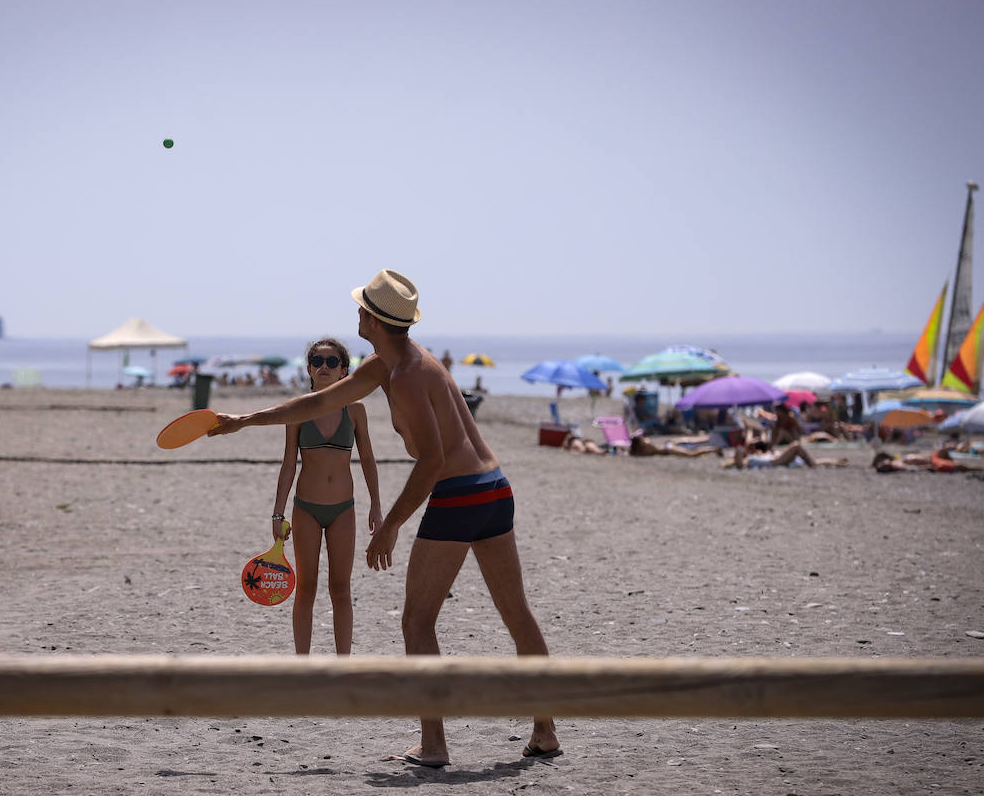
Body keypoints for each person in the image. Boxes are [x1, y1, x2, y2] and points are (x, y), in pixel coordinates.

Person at [209, 269, 559, 767]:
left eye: (360, 309)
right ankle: (545, 730)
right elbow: (319, 400)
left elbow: (433, 461)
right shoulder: (385, 365)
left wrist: (391, 523)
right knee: (516, 612)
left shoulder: (409, 375)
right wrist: (246, 420)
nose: (355, 313)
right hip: (494, 488)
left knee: (417, 623)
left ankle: (435, 745)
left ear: (372, 319)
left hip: (460, 495)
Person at [271, 337, 383, 655]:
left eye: (332, 362)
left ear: (344, 371)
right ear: (308, 369)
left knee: (341, 589)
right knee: (306, 588)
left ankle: (342, 666)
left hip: (343, 511)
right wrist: (277, 515)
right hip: (305, 509)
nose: (324, 367)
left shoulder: (356, 410)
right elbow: (289, 464)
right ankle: (303, 666)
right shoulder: (298, 410)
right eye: (318, 362)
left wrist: (376, 505)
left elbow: (369, 460)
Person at [725, 440, 848, 469]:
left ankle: (835, 461)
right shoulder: (748, 461)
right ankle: (816, 465)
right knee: (796, 446)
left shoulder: (755, 455)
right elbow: (740, 464)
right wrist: (740, 453)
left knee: (809, 460)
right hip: (774, 462)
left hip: (775, 460)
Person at [628, 435, 720, 458]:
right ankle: (708, 440)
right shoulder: (646, 444)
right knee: (690, 444)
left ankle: (712, 448)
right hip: (667, 445)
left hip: (668, 448)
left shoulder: (644, 448)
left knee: (690, 453)